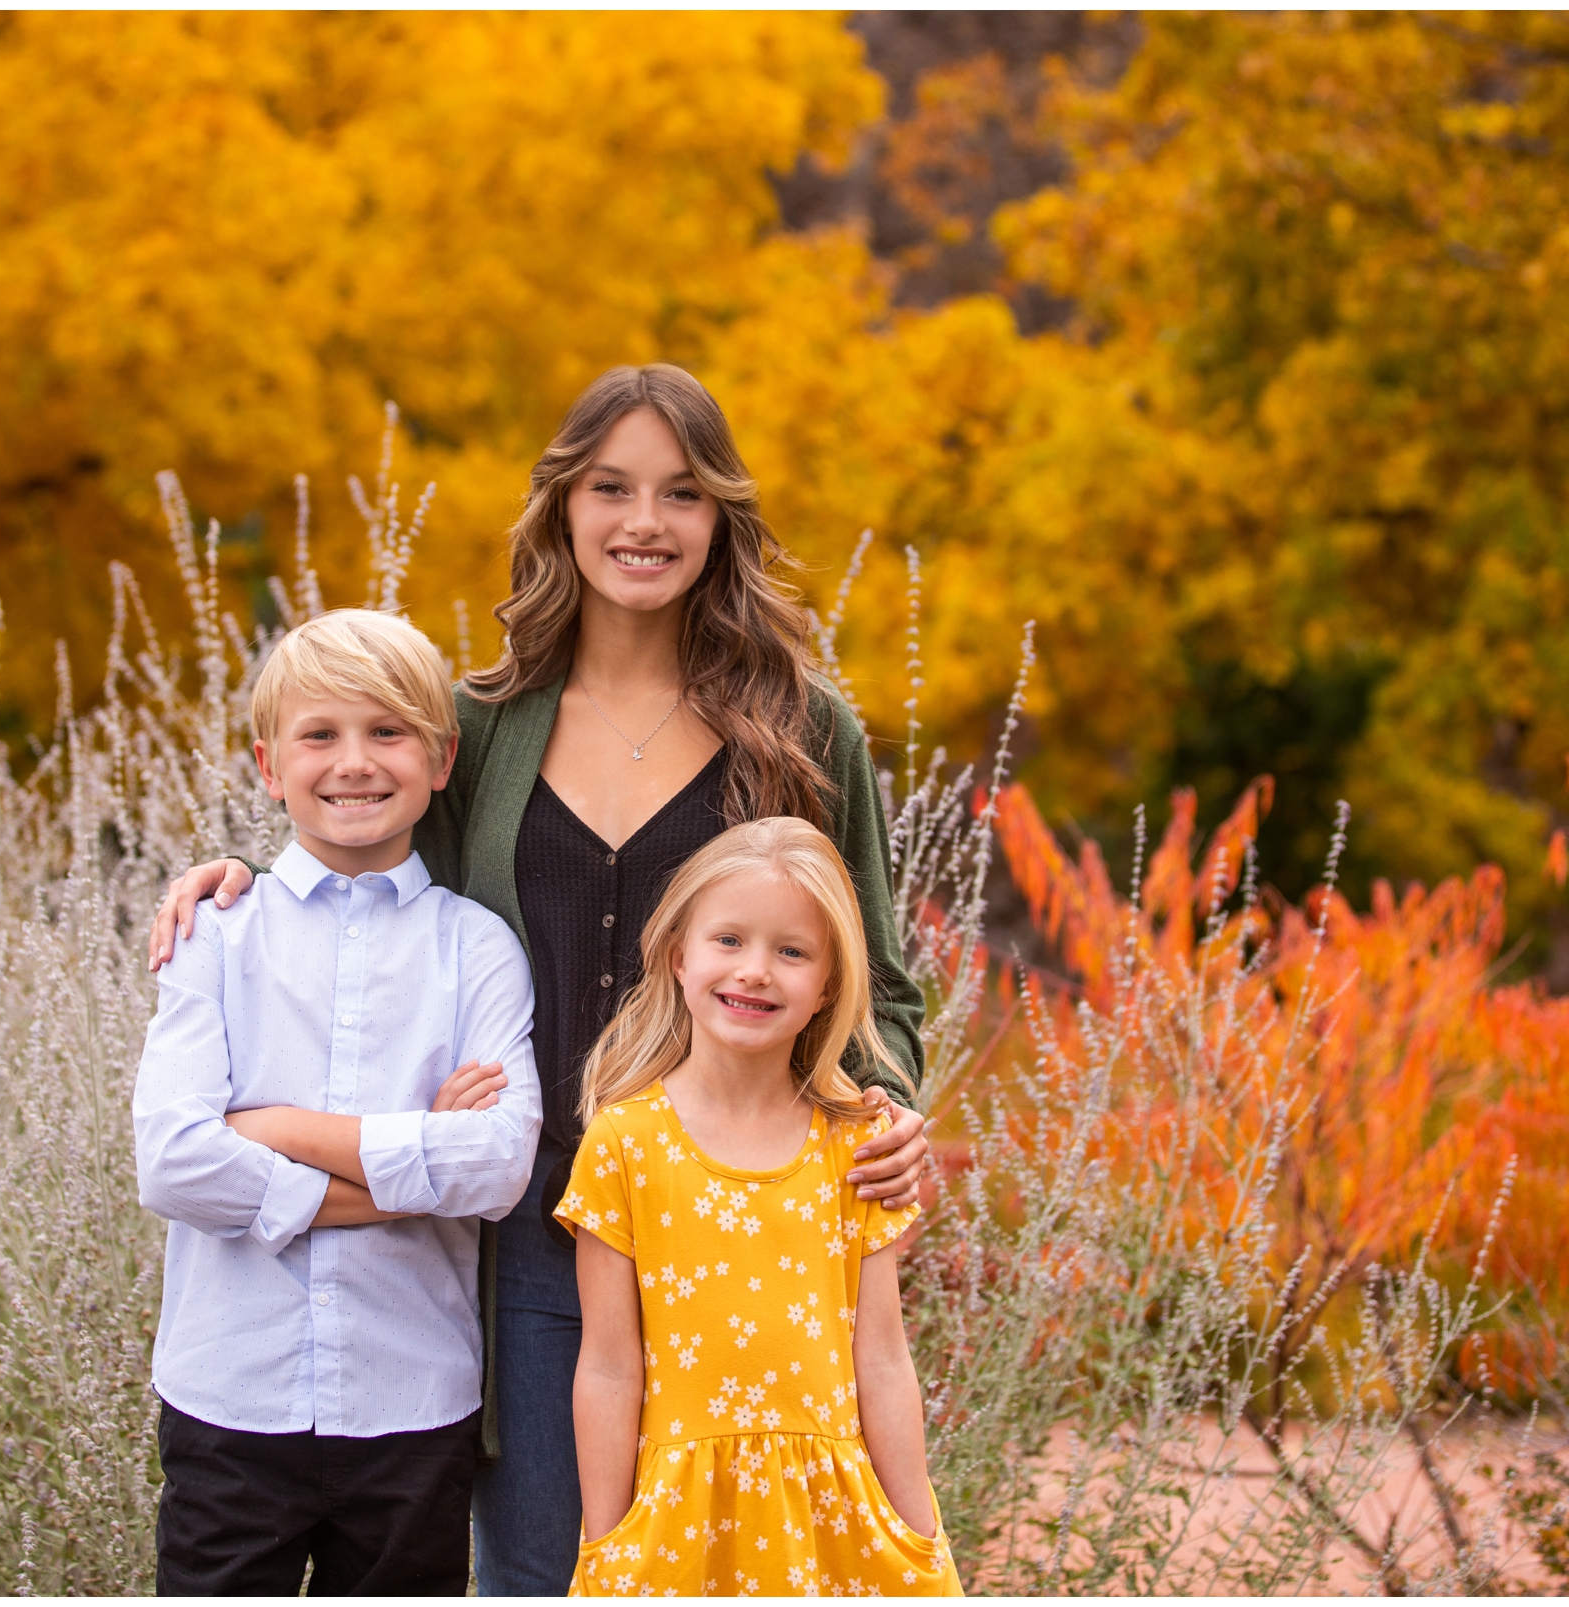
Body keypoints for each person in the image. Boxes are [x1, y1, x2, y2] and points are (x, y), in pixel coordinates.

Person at [146, 363, 933, 1593]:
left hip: (747, 1246)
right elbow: (365, 852)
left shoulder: (803, 731)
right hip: (533, 1250)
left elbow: (876, 988)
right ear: (562, 505)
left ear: (720, 517)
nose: (643, 522)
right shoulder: (483, 725)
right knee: (547, 1576)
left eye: (681, 493)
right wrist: (241, 877)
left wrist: (884, 1110)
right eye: (610, 486)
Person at [135, 608, 542, 1595]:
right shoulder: (217, 934)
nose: (354, 760)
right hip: (231, 1398)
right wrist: (413, 1171)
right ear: (271, 766)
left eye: (387, 731)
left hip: (412, 1404)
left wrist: (273, 1133)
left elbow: (497, 1161)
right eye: (320, 734)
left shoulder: (476, 945)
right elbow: (176, 1160)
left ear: (442, 759)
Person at [556, 817, 959, 1596]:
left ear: (828, 986)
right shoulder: (624, 1143)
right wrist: (605, 1543)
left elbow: (881, 1356)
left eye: (792, 951)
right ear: (680, 954)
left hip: (831, 1525)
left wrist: (918, 1535)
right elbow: (608, 1365)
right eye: (729, 940)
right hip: (678, 1524)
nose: (756, 971)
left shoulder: (855, 1147)